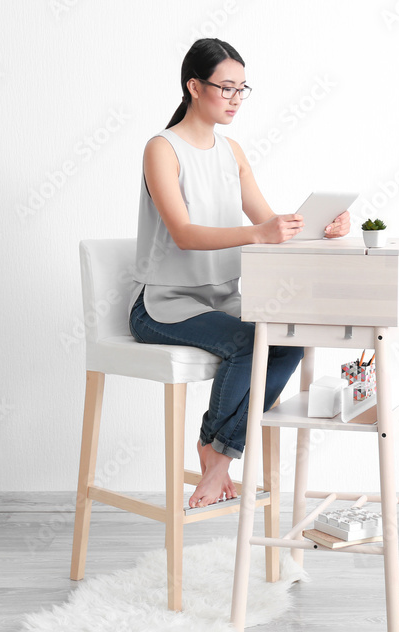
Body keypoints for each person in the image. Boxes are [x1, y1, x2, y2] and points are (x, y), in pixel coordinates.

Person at [127, 38, 351, 509]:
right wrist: (259, 234)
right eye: (225, 88)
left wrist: (325, 228)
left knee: (290, 339)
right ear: (194, 86)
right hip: (164, 306)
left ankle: (215, 452)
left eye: (241, 89)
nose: (234, 99)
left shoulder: (232, 152)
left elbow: (272, 226)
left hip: (222, 300)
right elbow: (185, 234)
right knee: (251, 342)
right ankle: (220, 453)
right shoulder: (161, 149)